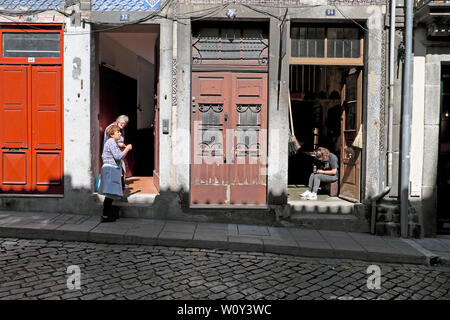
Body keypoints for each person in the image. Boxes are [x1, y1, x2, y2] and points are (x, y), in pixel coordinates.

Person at [99, 125, 132, 222]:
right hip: (110, 169)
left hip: (110, 169)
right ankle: (105, 216)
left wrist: (118, 145)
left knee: (110, 194)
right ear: (112, 134)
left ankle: (108, 215)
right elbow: (118, 156)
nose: (120, 133)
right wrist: (127, 148)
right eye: (118, 132)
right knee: (109, 195)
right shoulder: (111, 142)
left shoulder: (111, 142)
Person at [104, 115, 129, 189]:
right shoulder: (111, 128)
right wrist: (122, 146)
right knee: (117, 169)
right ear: (118, 121)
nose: (123, 125)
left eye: (125, 123)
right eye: (122, 123)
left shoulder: (120, 129)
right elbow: (108, 142)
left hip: (118, 151)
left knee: (122, 168)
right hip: (112, 153)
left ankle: (121, 185)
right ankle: (117, 187)